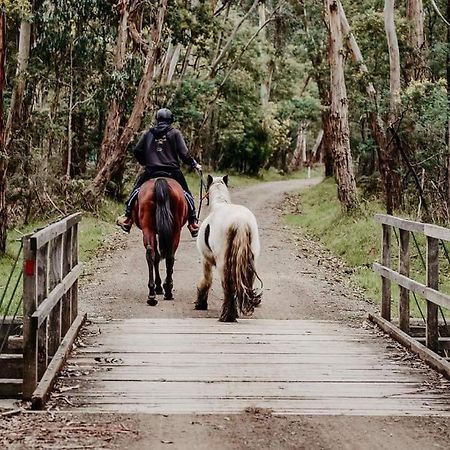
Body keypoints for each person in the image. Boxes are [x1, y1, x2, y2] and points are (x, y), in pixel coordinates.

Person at [116, 108, 201, 237]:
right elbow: (184, 154)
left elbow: (137, 150)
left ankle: (127, 217)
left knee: (136, 191)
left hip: (151, 171)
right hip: (173, 172)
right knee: (186, 193)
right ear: (170, 120)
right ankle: (192, 222)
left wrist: (145, 162)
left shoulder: (148, 133)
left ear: (157, 120)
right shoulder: (175, 133)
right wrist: (194, 163)